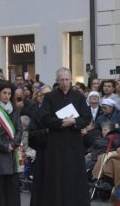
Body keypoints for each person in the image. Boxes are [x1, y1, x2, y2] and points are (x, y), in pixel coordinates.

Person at [38, 67, 92, 206]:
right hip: (56, 141)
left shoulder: (78, 96)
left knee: (74, 174)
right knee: (56, 174)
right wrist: (61, 123)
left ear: (71, 80)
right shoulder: (49, 97)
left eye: (67, 79)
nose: (64, 82)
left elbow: (87, 117)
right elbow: (44, 118)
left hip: (74, 142)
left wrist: (74, 121)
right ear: (57, 81)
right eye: (61, 79)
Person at [0, 82, 22, 206]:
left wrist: (13, 144)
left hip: (13, 152)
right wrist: (4, 146)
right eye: (4, 93)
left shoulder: (14, 109)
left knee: (13, 185)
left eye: (9, 93)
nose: (7, 96)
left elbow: (19, 129)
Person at [28, 85, 51, 206]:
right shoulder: (36, 112)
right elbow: (32, 134)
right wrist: (47, 131)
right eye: (41, 95)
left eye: (47, 95)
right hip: (43, 151)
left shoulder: (58, 110)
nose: (43, 97)